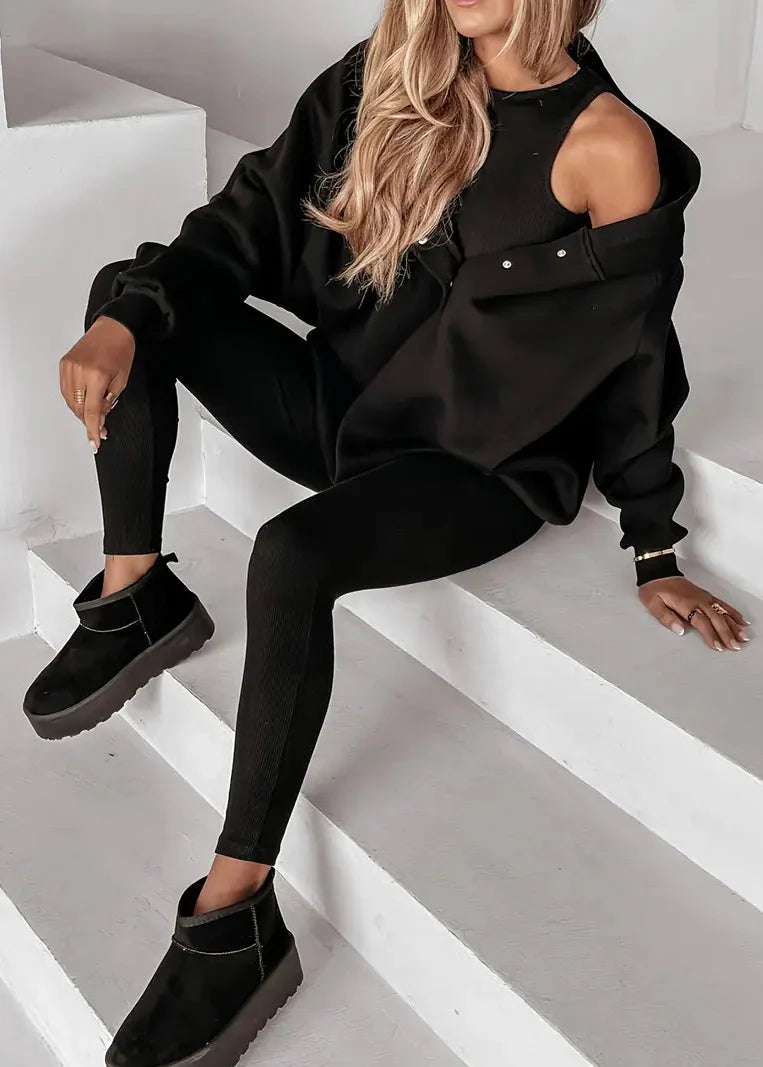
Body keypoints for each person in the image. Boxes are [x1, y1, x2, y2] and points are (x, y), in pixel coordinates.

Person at [23, 1, 751, 1065]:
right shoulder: (391, 73)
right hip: (345, 407)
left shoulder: (605, 143)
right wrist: (126, 319)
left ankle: (234, 913)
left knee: (292, 554)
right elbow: (247, 216)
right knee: (132, 300)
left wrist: (653, 542)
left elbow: (636, 355)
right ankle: (136, 587)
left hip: (477, 463)